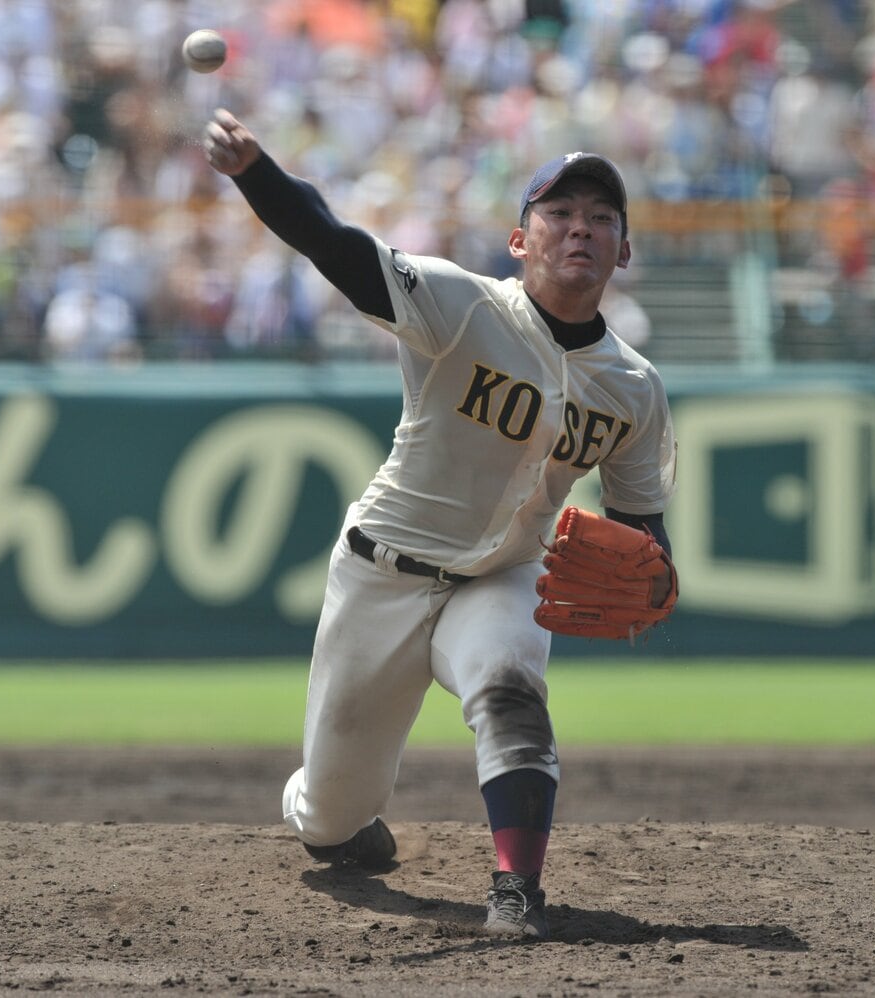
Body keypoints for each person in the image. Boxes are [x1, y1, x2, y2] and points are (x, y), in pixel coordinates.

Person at [204, 108, 678, 940]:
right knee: (330, 811)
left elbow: (643, 526)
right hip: (383, 572)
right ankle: (329, 819)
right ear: (520, 241)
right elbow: (335, 244)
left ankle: (517, 891)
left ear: (624, 251)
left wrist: (655, 573)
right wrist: (256, 172)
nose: (582, 230)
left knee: (512, 695)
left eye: (602, 218)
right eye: (559, 214)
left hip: (502, 576)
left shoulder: (635, 389)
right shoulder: (462, 307)